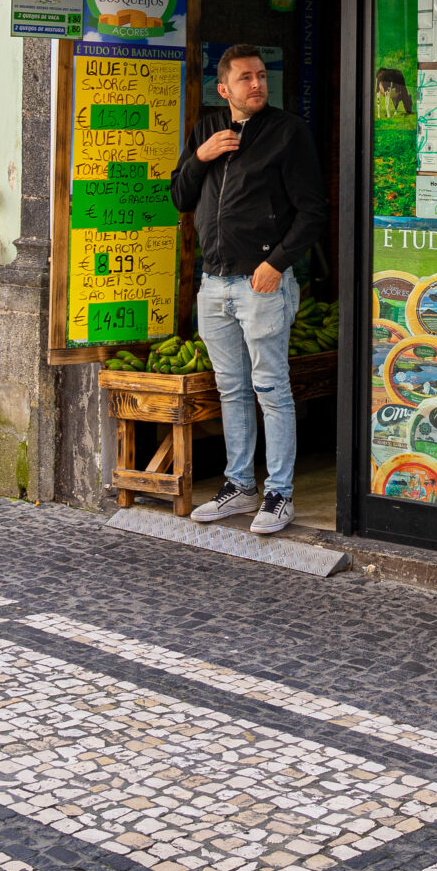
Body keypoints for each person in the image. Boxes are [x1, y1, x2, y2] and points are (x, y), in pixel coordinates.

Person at [169, 44, 327, 534]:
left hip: (261, 284)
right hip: (214, 283)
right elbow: (179, 197)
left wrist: (276, 264)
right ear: (224, 88)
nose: (257, 84)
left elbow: (313, 211)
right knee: (232, 389)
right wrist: (200, 157)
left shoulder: (287, 132)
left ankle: (280, 494)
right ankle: (239, 487)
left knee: (271, 389)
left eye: (261, 75)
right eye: (245, 78)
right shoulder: (206, 130)